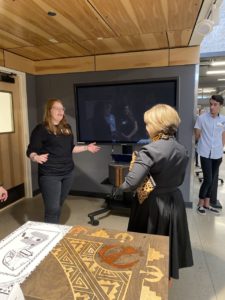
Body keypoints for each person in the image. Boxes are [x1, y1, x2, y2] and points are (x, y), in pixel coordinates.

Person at [115, 104, 193, 281]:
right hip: (175, 201)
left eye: (148, 123)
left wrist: (120, 182)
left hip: (153, 206)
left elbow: (129, 184)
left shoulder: (149, 150)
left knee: (147, 247)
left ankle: (145, 282)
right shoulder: (182, 149)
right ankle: (165, 282)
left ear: (158, 125)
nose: (146, 127)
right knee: (168, 248)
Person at [26, 98, 101, 224]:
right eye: (57, 108)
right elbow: (30, 150)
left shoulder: (67, 128)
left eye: (62, 109)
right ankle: (50, 237)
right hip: (50, 174)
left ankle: (55, 228)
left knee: (58, 204)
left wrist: (86, 148)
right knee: (52, 208)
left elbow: (70, 148)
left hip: (68, 173)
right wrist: (35, 157)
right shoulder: (41, 129)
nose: (61, 111)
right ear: (49, 111)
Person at [194, 95, 225, 215]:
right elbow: (197, 134)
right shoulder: (202, 118)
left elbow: (223, 135)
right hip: (205, 152)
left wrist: (221, 146)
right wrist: (202, 142)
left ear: (220, 106)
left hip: (217, 154)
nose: (212, 107)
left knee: (212, 180)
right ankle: (200, 203)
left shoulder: (223, 119)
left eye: (215, 104)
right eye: (211, 104)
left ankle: (207, 204)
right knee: (208, 179)